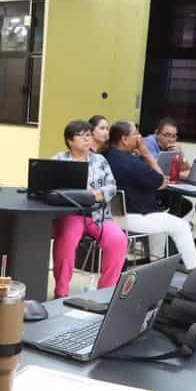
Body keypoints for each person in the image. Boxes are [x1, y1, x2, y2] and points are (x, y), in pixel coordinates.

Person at [105, 121, 196, 270]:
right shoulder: (132, 162)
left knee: (162, 223)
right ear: (124, 139)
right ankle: (195, 270)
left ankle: (156, 267)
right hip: (136, 217)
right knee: (182, 226)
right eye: (136, 134)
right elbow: (161, 181)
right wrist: (146, 153)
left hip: (113, 215)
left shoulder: (106, 156)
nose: (140, 137)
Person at [50, 120, 128, 297]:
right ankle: (61, 292)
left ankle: (105, 293)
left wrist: (97, 194)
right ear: (70, 141)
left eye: (88, 135)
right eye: (81, 135)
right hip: (71, 214)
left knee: (119, 240)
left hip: (99, 215)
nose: (87, 139)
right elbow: (49, 188)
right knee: (66, 242)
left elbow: (112, 186)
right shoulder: (59, 160)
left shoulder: (100, 160)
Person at [142, 117, 193, 217]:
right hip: (147, 189)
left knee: (184, 204)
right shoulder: (148, 143)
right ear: (157, 133)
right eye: (167, 135)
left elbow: (188, 171)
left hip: (162, 187)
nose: (170, 140)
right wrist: (179, 174)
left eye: (174, 136)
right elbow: (157, 169)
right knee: (180, 204)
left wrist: (181, 154)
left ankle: (169, 229)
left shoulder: (171, 147)